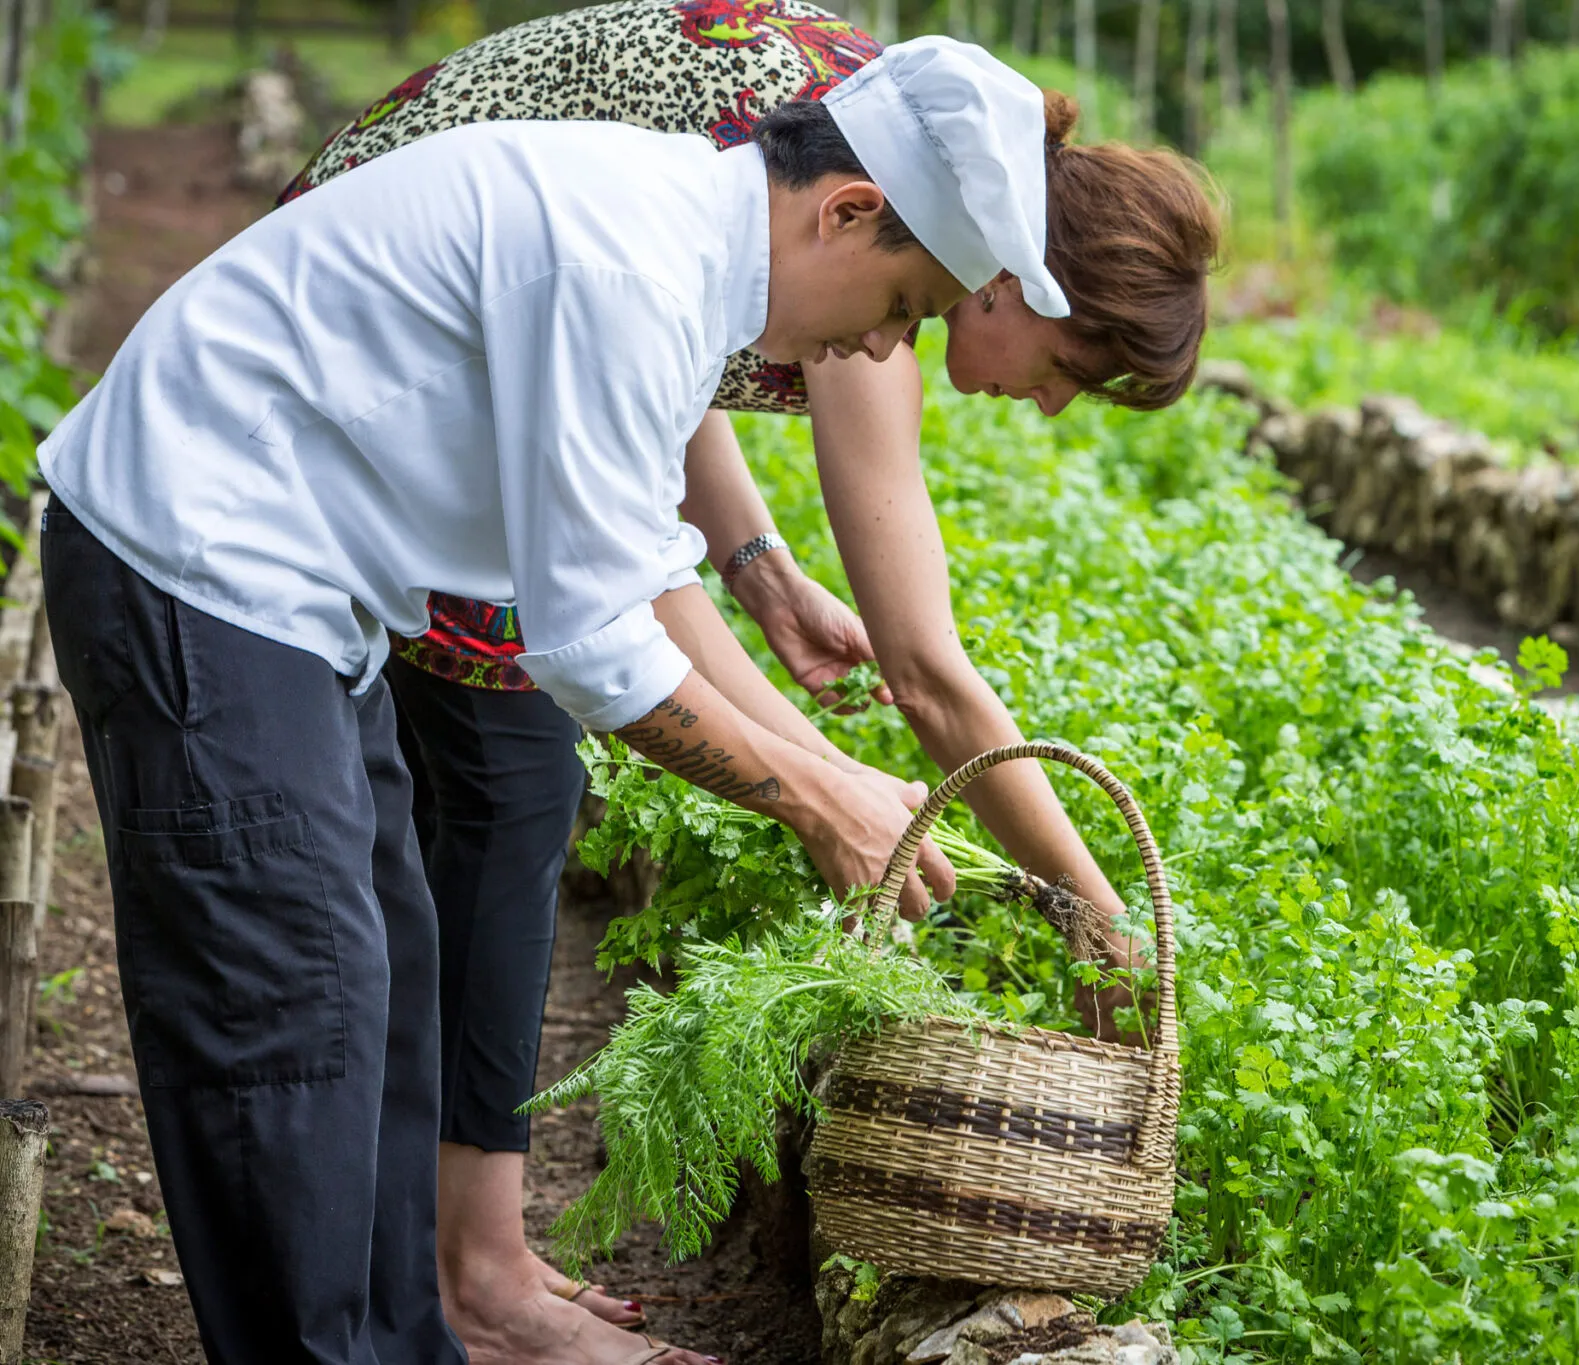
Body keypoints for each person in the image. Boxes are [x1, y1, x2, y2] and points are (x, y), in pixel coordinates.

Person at [40, 37, 1103, 1365]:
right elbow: (591, 649)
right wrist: (820, 797)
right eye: (905, 300)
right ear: (846, 211)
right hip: (201, 557)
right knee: (291, 1021)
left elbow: (636, 566)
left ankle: (398, 1342)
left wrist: (825, 767)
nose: (887, 341)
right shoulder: (631, 261)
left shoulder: (675, 243)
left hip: (297, 584)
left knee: (380, 984)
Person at [273, 6, 1222, 1363]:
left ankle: (455, 1263)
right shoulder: (901, 214)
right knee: (502, 788)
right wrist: (1100, 916)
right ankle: (466, 1279)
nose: (1049, 405)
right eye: (1070, 373)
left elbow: (670, 373)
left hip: (464, 310)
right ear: (1013, 281)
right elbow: (924, 673)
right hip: (398, 319)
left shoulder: (901, 181)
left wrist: (755, 563)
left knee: (498, 788)